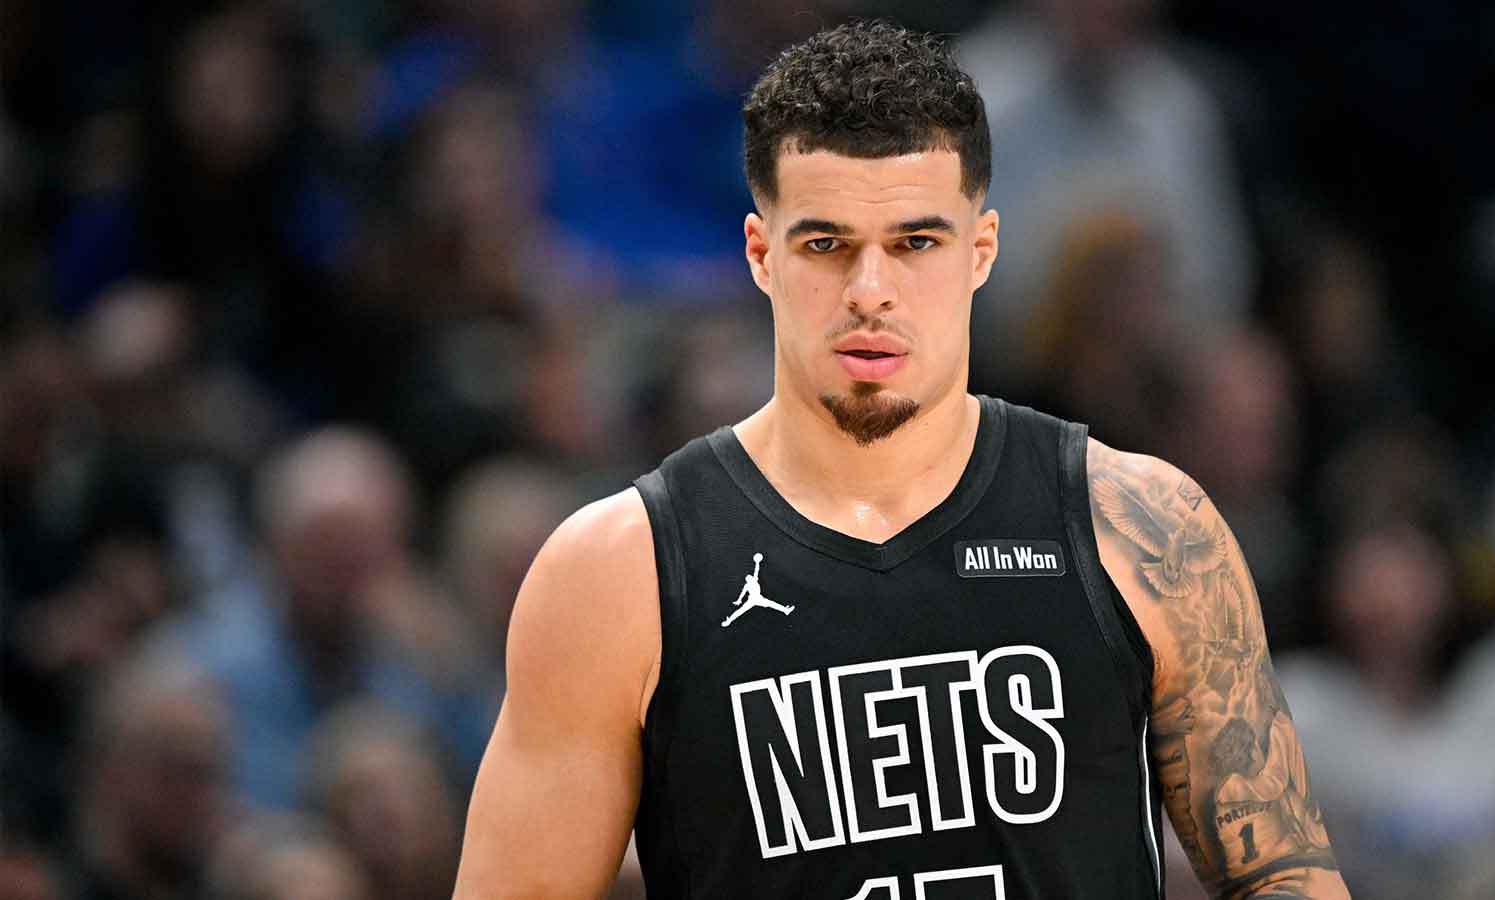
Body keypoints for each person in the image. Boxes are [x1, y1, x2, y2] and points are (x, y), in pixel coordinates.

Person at [454, 21, 1348, 899]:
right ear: (761, 255)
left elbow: (1284, 878)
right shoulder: (618, 572)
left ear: (980, 251)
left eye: (916, 243)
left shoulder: (1143, 527)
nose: (870, 291)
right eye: (826, 244)